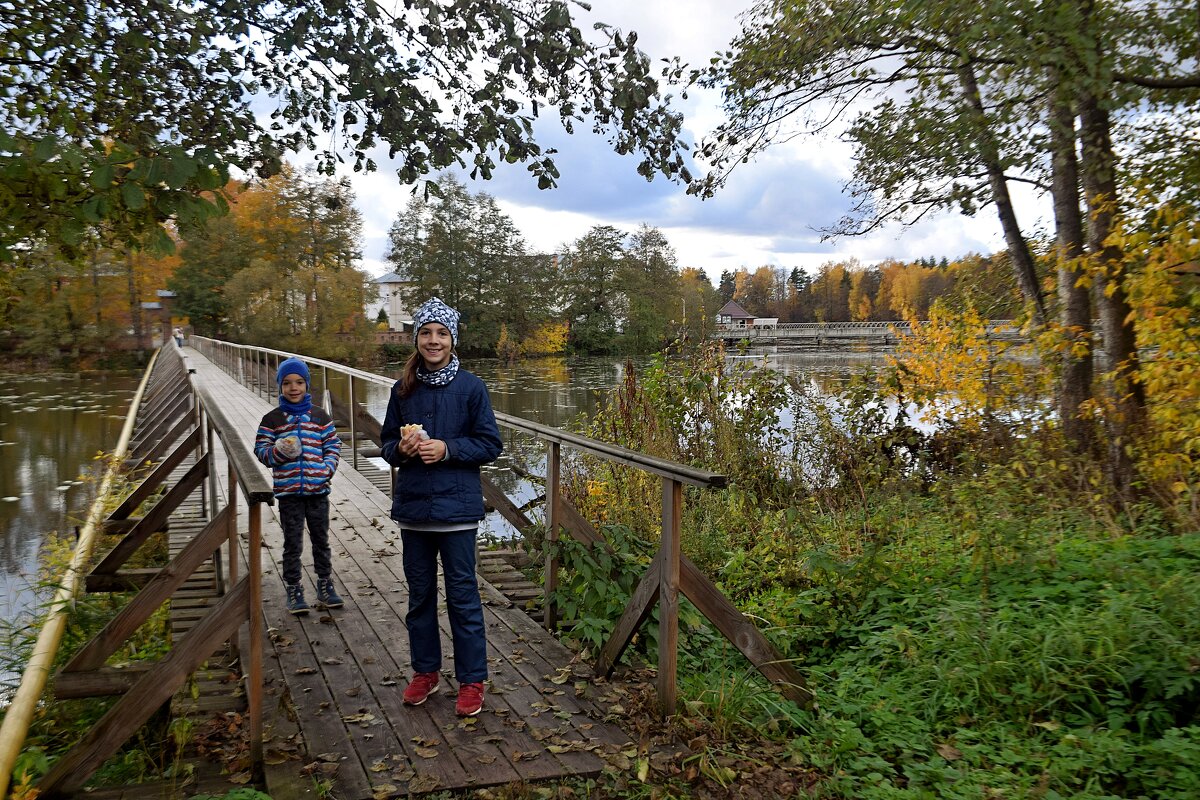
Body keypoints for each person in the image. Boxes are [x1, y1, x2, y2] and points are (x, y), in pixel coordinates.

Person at [380, 297, 503, 717]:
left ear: (453, 340)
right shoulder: (402, 390)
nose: (434, 341)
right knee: (420, 597)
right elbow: (385, 447)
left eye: (442, 334)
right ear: (417, 340)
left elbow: (490, 444)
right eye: (427, 333)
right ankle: (425, 672)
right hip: (414, 511)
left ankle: (471, 680)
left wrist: (447, 448)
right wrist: (401, 447)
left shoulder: (471, 387)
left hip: (457, 513)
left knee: (463, 597)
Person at [254, 357, 344, 616]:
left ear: (307, 384)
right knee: (292, 542)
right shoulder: (272, 419)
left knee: (321, 539)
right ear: (280, 386)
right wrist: (279, 451)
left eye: (299, 382)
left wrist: (327, 469)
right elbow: (261, 451)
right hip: (289, 493)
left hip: (318, 491)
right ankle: (294, 588)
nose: (294, 388)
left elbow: (333, 445)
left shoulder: (319, 416)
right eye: (287, 383)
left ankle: (325, 584)